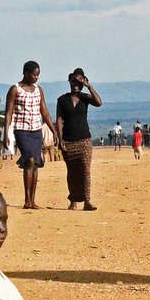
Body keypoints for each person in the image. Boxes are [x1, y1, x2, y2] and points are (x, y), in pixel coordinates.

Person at [51, 69, 101, 210]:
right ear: (69, 82)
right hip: (68, 140)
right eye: (74, 81)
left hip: (84, 139)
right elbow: (59, 120)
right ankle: (73, 200)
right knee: (72, 171)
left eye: (79, 82)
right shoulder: (62, 100)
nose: (76, 85)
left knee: (85, 170)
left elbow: (99, 103)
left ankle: (86, 201)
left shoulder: (85, 98)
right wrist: (59, 139)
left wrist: (89, 86)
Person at [5, 61, 50, 210]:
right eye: (34, 74)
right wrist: (6, 132)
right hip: (21, 130)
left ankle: (32, 199)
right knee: (29, 160)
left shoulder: (38, 90)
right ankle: (26, 199)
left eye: (38, 75)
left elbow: (44, 111)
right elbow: (9, 112)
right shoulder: (15, 89)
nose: (36, 77)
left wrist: (53, 130)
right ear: (25, 73)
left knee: (35, 163)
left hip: (36, 130)